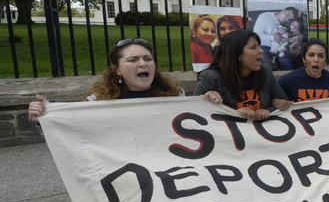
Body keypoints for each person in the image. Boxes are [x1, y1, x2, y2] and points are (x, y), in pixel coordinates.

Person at [28, 38, 181, 123]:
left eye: (148, 59)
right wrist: (47, 116)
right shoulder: (97, 101)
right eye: (133, 60)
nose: (143, 64)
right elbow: (75, 132)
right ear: (117, 69)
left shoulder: (175, 95)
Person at [196, 30, 290, 120]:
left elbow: (283, 102)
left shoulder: (265, 71)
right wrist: (235, 114)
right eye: (253, 47)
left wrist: (269, 110)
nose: (260, 51)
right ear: (237, 54)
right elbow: (195, 110)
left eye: (259, 46)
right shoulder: (210, 77)